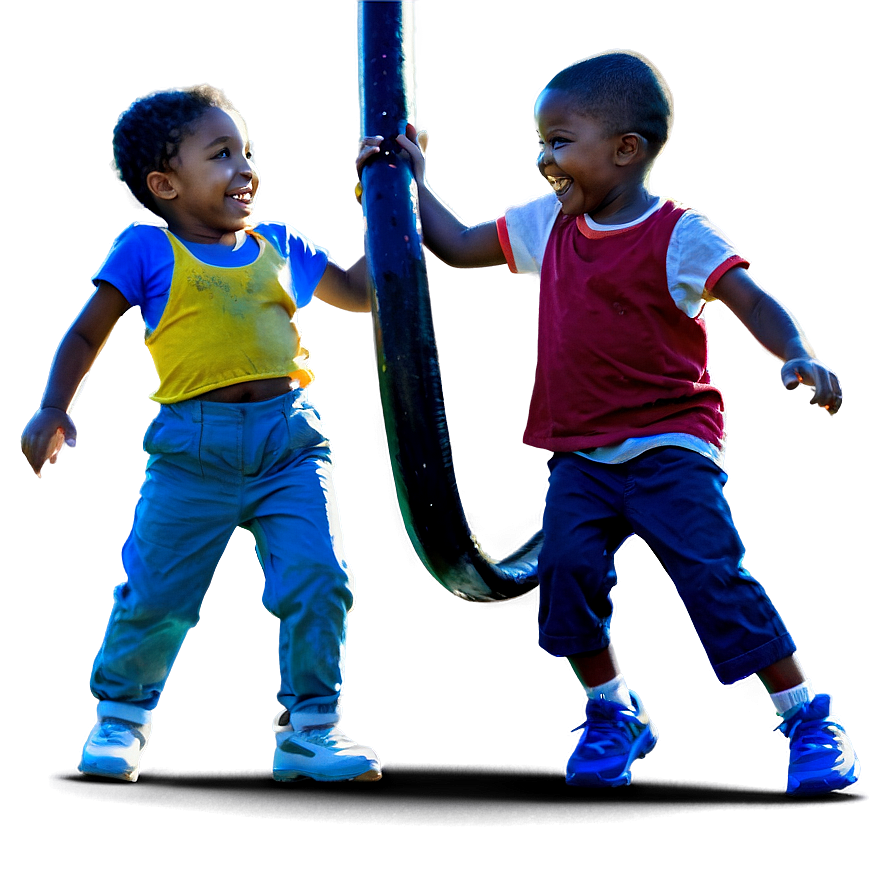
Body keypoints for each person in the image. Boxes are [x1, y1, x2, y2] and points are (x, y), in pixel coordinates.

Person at [358, 49, 859, 794]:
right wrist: (409, 185)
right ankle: (612, 713)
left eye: (560, 141)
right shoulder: (549, 225)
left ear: (625, 150)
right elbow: (460, 247)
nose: (543, 159)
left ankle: (804, 717)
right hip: (582, 456)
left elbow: (750, 299)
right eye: (542, 142)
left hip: (669, 445)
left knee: (711, 574)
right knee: (564, 574)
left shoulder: (678, 235)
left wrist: (797, 352)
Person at [21, 84, 381, 784]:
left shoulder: (280, 246)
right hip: (192, 452)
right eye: (222, 154)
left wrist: (385, 199)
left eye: (247, 152)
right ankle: (121, 720)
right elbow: (87, 331)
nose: (246, 168)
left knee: (320, 576)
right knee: (157, 592)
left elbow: (362, 294)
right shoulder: (146, 251)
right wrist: (53, 406)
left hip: (289, 445)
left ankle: (310, 733)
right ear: (165, 184)